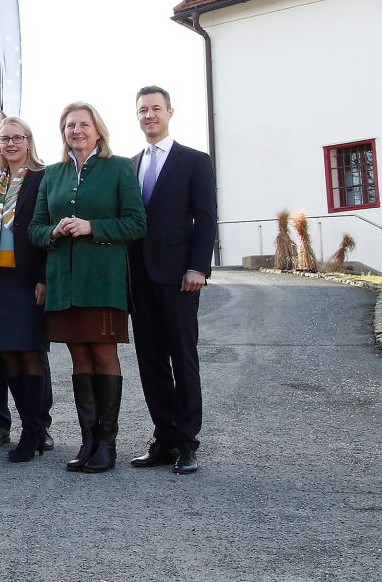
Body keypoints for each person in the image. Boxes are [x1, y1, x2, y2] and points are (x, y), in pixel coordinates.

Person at [28, 101, 147, 473]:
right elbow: (35, 228)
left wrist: (92, 226)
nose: (76, 131)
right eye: (69, 126)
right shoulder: (53, 174)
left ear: (98, 130)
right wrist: (56, 231)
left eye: (83, 124)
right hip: (65, 282)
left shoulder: (118, 168)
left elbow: (136, 223)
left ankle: (107, 444)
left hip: (103, 281)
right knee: (79, 359)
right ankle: (88, 440)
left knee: (103, 355)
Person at [128, 86, 217, 476]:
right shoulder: (130, 164)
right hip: (139, 278)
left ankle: (187, 443)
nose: (149, 115)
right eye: (143, 110)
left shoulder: (194, 160)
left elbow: (206, 217)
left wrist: (199, 267)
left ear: (170, 112)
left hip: (180, 277)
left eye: (155, 109)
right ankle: (164, 437)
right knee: (150, 361)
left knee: (183, 358)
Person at [0, 107, 55, 453]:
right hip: (2, 282)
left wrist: (43, 278)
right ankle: (25, 426)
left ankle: (35, 430)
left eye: (17, 137)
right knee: (8, 356)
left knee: (30, 354)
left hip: (28, 280)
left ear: (29, 141)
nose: (10, 143)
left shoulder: (42, 177)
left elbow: (48, 230)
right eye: (5, 138)